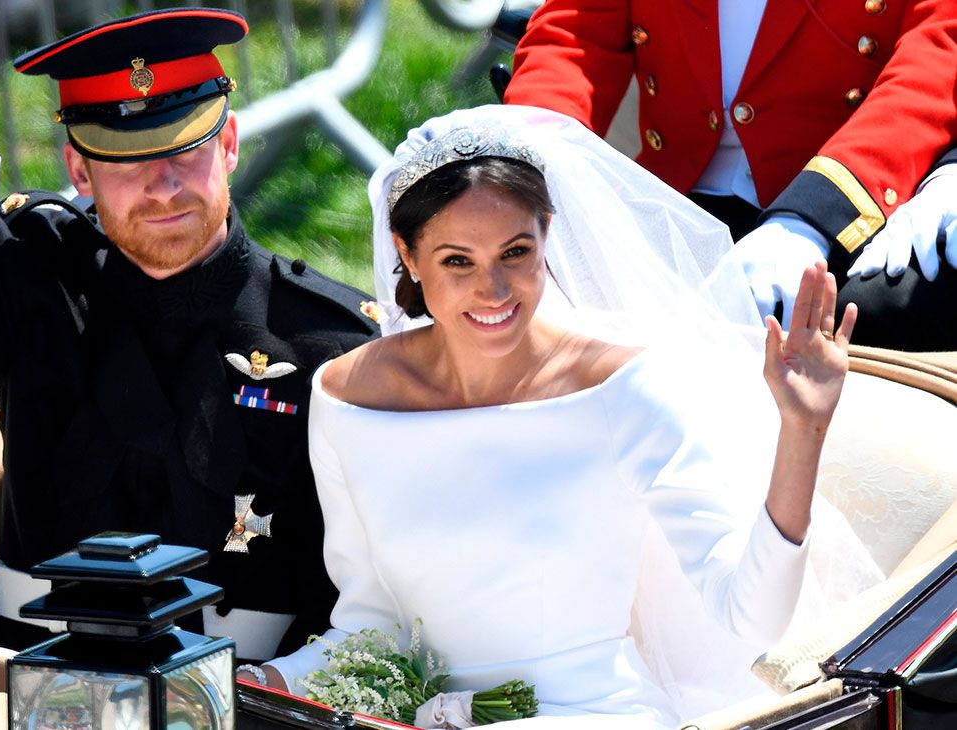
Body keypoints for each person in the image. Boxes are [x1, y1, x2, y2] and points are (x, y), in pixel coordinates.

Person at [242, 105, 876, 727]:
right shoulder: (349, 396)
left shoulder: (624, 386)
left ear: (548, 233)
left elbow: (749, 618)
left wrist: (803, 430)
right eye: (457, 261)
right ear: (407, 255)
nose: (493, 291)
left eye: (515, 252)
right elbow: (371, 624)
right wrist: (262, 681)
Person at [0, 8, 380, 655]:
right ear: (81, 172)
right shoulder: (33, 274)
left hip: (249, 693)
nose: (164, 186)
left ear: (228, 146)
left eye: (187, 150)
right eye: (129, 162)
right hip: (33, 675)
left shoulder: (323, 342)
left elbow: (365, 583)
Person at [502, 0, 957, 351]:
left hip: (845, 198)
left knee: (886, 317)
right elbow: (573, 39)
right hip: (671, 199)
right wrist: (522, 175)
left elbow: (934, 55)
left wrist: (810, 220)